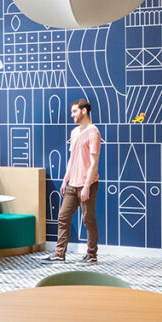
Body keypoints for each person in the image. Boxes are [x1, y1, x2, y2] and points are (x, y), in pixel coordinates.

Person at [43, 98, 101, 264]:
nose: (72, 115)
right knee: (63, 217)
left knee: (88, 219)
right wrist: (65, 180)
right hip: (72, 183)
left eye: (74, 111)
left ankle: (91, 255)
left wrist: (87, 186)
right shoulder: (74, 132)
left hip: (87, 184)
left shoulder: (94, 132)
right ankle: (60, 254)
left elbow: (94, 163)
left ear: (84, 111)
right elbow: (72, 158)